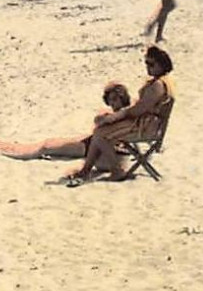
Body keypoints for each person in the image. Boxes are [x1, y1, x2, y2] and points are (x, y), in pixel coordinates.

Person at [64, 47, 176, 186]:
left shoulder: (158, 85)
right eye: (146, 63)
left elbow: (138, 110)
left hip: (145, 127)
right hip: (147, 124)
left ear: (162, 65)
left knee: (100, 133)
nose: (148, 67)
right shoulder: (165, 82)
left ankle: (115, 170)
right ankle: (86, 170)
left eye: (151, 64)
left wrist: (115, 116)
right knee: (101, 129)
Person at [0, 82, 134, 161]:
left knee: (46, 146)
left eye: (115, 100)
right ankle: (12, 147)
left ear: (123, 98)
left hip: (87, 147)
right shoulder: (119, 114)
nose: (113, 103)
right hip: (89, 142)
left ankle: (13, 153)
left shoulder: (121, 115)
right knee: (47, 142)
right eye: (111, 100)